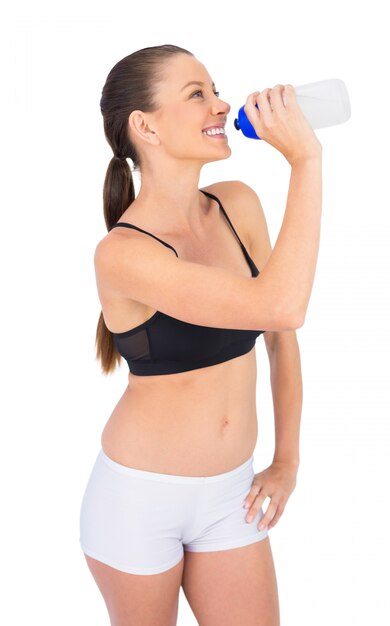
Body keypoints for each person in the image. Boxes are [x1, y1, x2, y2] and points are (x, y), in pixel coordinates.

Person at [79, 44, 323, 626]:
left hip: (230, 496)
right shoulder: (123, 255)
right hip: (139, 502)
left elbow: (279, 336)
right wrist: (307, 162)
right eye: (197, 95)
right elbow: (283, 306)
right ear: (146, 126)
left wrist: (286, 459)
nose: (221, 104)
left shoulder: (237, 205)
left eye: (215, 89)